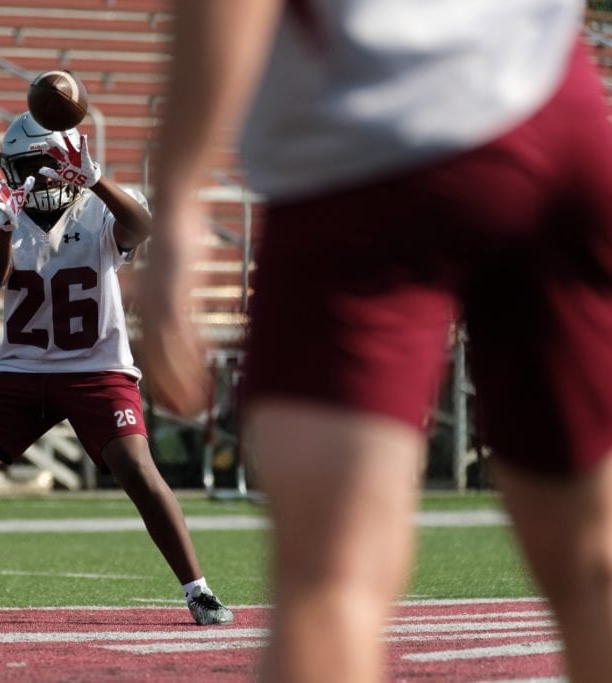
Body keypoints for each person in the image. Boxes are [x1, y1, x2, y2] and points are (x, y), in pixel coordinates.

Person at [139, 1, 612, 681]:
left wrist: (179, 195)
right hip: (556, 106)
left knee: (333, 581)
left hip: (363, 149)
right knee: (596, 565)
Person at [0, 111, 233, 627]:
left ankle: (199, 591)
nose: (27, 179)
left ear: (63, 165)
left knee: (137, 469)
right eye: (19, 169)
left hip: (97, 368)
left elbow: (143, 227)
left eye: (38, 166)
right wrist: (6, 222)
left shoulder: (99, 210)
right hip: (21, 370)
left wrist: (96, 179)